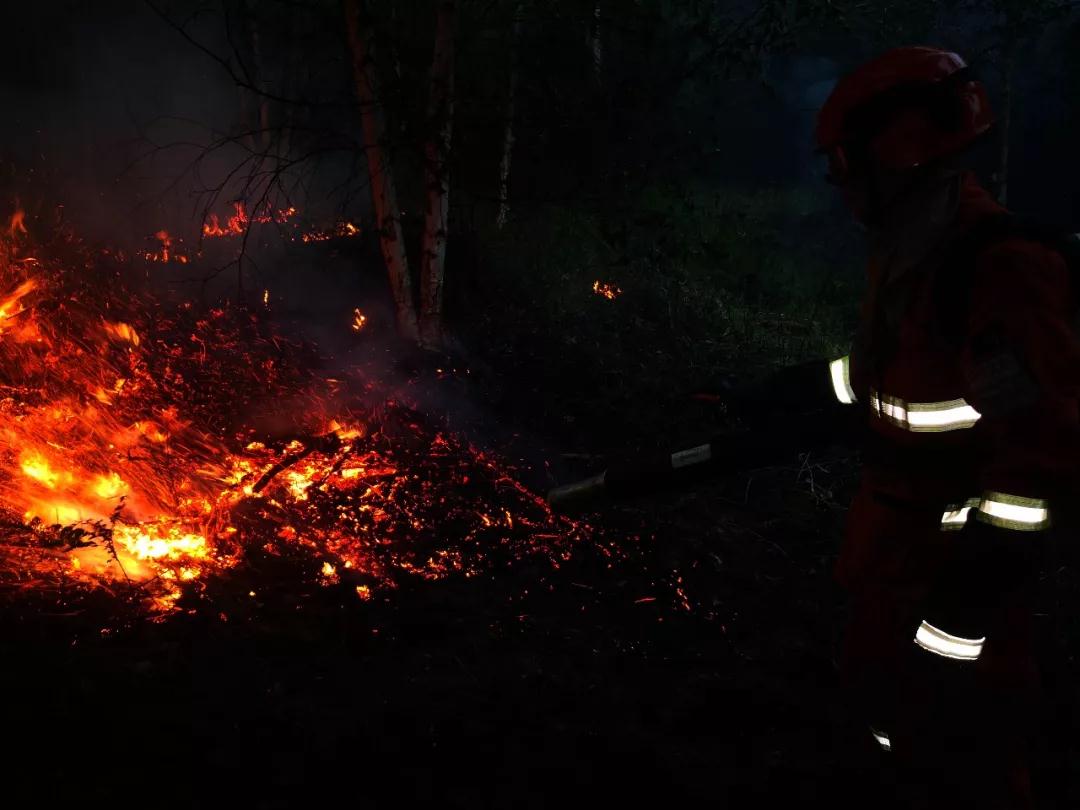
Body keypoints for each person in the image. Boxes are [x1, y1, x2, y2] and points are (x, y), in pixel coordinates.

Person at [752, 46, 1080, 807]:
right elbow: (896, 374)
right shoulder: (913, 250)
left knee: (964, 757)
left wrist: (960, 620)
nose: (839, 185)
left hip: (955, 585)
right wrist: (780, 393)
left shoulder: (1000, 266)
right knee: (889, 735)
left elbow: (1042, 464)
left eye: (844, 164)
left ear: (893, 154)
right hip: (893, 556)